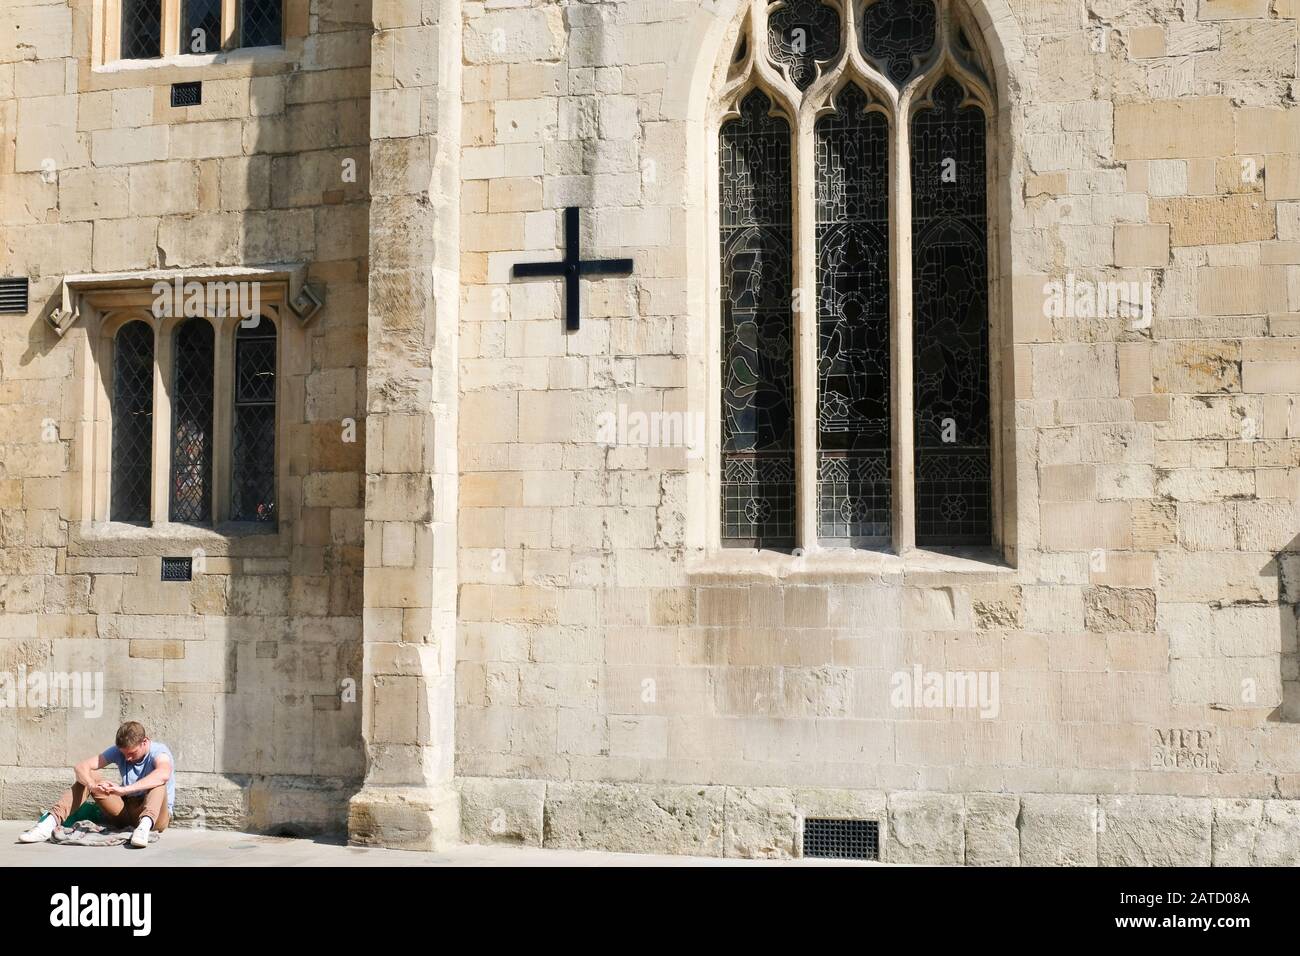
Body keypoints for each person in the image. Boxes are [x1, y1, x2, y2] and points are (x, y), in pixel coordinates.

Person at [19, 720, 175, 848]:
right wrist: (92, 785)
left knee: (158, 781)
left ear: (144, 742)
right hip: (126, 811)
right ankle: (48, 825)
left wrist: (125, 789)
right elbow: (81, 767)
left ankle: (144, 828)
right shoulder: (119, 751)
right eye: (124, 754)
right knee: (89, 776)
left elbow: (163, 773)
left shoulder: (159, 751)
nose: (127, 758)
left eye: (132, 753)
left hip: (156, 817)